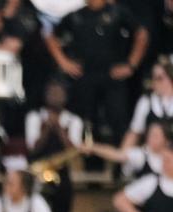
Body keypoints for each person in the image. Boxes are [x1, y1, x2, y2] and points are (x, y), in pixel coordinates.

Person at [46, 0, 149, 145]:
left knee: (117, 120)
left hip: (112, 75)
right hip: (85, 75)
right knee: (83, 120)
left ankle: (119, 162)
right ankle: (83, 158)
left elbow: (142, 34)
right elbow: (50, 35)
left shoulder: (117, 12)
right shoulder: (76, 15)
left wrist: (131, 64)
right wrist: (63, 62)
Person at [25, 79, 82, 212]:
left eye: (59, 93)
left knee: (63, 209)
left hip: (61, 172)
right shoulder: (35, 117)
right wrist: (47, 130)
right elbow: (32, 148)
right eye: (51, 92)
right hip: (38, 171)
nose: (55, 96)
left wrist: (59, 129)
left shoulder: (73, 120)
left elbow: (74, 150)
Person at [85, 121, 168, 180]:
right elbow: (117, 155)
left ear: (166, 139)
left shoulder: (169, 155)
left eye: (156, 136)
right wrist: (92, 147)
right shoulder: (142, 154)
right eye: (150, 135)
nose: (151, 139)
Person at [122, 61, 173, 150]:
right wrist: (123, 155)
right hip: (152, 155)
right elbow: (134, 132)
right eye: (153, 78)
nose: (155, 82)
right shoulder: (146, 101)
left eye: (160, 78)